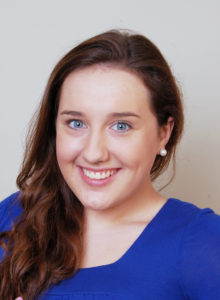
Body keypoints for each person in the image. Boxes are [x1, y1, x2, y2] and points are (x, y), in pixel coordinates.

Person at [0, 29, 220, 300]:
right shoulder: (12, 217)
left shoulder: (204, 243)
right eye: (76, 123)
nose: (94, 153)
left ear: (164, 132)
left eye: (121, 126)